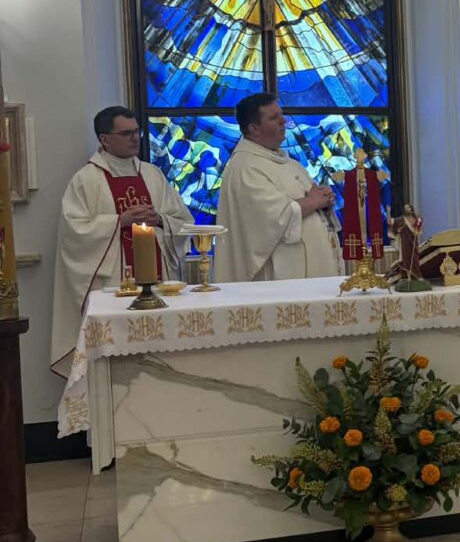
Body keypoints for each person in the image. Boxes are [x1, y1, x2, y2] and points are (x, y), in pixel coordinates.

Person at [51, 106, 193, 376]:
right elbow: (74, 233)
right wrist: (119, 221)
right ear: (105, 139)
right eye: (126, 133)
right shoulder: (86, 180)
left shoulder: (152, 174)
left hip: (158, 281)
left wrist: (161, 220)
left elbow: (183, 221)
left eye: (137, 131)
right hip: (115, 282)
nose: (135, 138)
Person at [215, 93, 341, 282]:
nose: (283, 121)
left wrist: (324, 203)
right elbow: (272, 218)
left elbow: (312, 203)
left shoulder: (290, 164)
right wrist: (314, 202)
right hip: (280, 279)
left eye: (281, 114)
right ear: (254, 128)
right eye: (274, 118)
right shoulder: (245, 167)